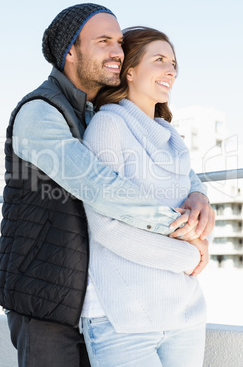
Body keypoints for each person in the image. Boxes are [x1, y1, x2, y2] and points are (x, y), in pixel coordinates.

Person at [0, 4, 213, 367]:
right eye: (104, 41)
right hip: (44, 294)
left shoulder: (95, 111)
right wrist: (181, 229)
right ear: (70, 52)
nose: (117, 50)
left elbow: (163, 161)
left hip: (90, 295)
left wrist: (198, 192)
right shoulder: (40, 112)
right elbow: (99, 186)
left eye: (120, 42)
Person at [81, 26, 212, 367]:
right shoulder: (108, 127)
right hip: (122, 319)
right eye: (159, 60)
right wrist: (189, 257)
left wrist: (201, 197)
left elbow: (187, 197)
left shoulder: (170, 135)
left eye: (173, 62)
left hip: (184, 315)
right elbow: (106, 228)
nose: (171, 70)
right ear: (129, 70)